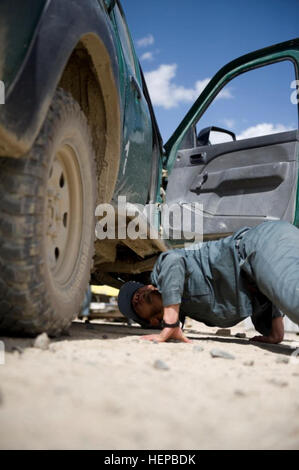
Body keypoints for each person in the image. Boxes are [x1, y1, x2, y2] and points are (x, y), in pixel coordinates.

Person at [117, 220, 299, 344]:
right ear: (152, 321)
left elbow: (173, 261)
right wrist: (276, 332)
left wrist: (171, 323)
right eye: (134, 305)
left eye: (138, 290)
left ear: (150, 285)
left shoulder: (164, 274)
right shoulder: (197, 311)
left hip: (257, 244)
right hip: (264, 261)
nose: (137, 296)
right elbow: (272, 288)